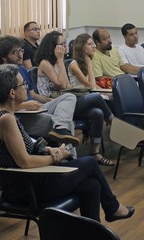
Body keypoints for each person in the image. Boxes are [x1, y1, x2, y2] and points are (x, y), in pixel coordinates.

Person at [0, 64, 134, 223]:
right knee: (90, 163)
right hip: (25, 188)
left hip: (31, 179)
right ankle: (113, 208)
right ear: (12, 93)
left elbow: (23, 149)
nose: (27, 87)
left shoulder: (5, 114)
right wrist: (56, 157)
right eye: (23, 84)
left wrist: (49, 150)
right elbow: (25, 162)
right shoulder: (6, 119)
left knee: (91, 186)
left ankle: (93, 234)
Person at [35, 31, 117, 166]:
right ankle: (114, 121)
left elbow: (67, 85)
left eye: (65, 43)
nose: (64, 46)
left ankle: (95, 152)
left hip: (66, 101)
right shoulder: (45, 63)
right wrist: (60, 60)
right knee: (95, 97)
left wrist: (61, 62)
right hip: (53, 105)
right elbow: (61, 84)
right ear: (53, 47)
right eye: (61, 44)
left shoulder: (58, 63)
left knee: (97, 113)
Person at [0, 35, 79, 144]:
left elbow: (33, 95)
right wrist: (23, 105)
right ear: (4, 57)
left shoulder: (22, 70)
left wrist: (53, 102)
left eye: (21, 51)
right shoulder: (0, 76)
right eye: (15, 52)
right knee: (68, 122)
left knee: (69, 97)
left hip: (35, 109)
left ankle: (60, 130)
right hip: (20, 117)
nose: (20, 55)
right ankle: (63, 138)